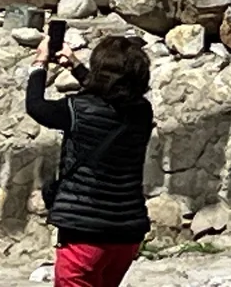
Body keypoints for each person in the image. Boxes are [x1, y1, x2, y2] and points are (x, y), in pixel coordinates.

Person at [26, 32, 154, 287]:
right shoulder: (141, 111)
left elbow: (36, 106)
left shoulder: (76, 109)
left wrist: (40, 63)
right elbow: (111, 95)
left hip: (84, 235)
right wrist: (76, 67)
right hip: (127, 235)